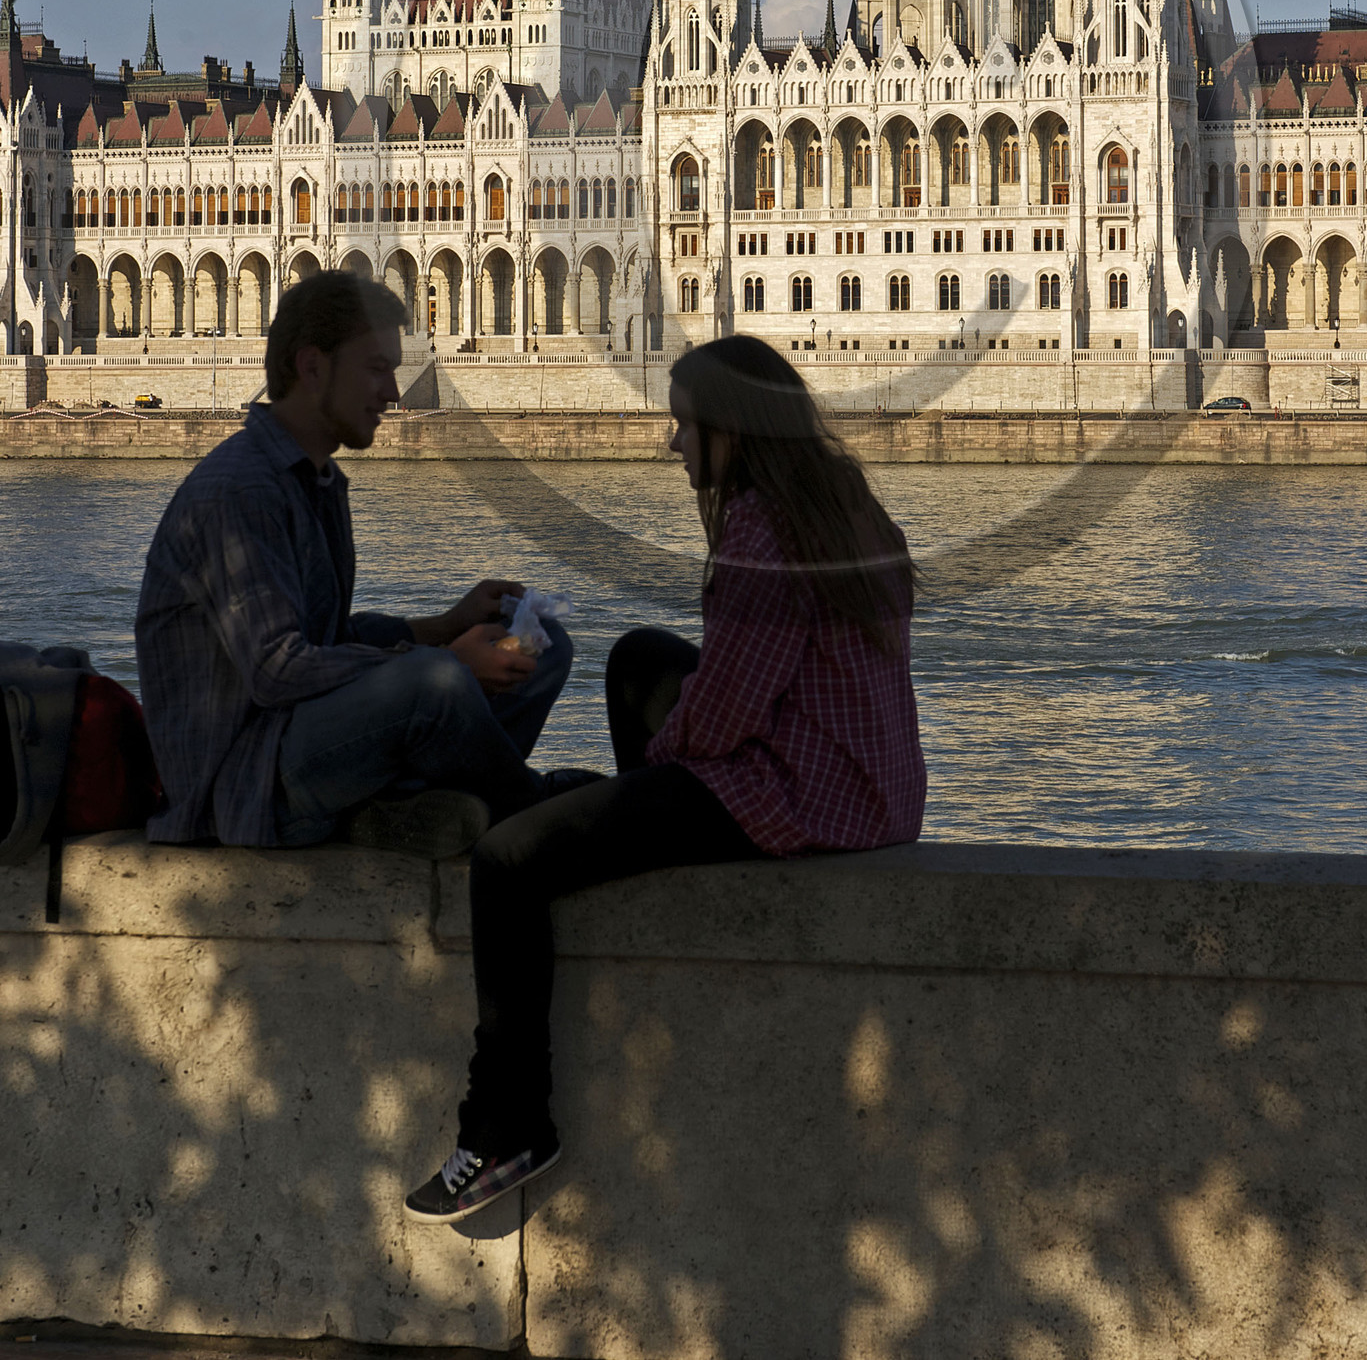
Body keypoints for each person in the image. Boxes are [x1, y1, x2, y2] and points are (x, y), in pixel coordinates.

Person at [405, 333, 926, 1224]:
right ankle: (628, 832)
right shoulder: (846, 505)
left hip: (797, 797)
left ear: (732, 429)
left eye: (685, 424)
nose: (672, 442)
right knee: (640, 659)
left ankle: (505, 1125)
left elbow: (723, 718)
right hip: (871, 789)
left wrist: (644, 780)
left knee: (507, 860)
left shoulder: (763, 531)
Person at [136, 273, 577, 859]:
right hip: (247, 781)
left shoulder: (317, 481)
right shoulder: (240, 490)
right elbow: (276, 669)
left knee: (545, 644)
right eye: (376, 369)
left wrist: (446, 625)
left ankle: (415, 805)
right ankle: (533, 806)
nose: (393, 392)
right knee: (437, 681)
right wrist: (446, 660)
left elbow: (329, 639)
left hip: (308, 739)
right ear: (313, 367)